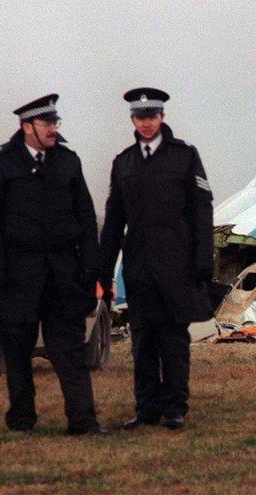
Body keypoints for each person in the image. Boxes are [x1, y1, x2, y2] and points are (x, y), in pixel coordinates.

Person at [0, 94, 104, 435]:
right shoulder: (2, 163)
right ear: (27, 126)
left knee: (70, 351)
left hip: (64, 275)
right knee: (17, 352)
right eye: (47, 123)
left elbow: (85, 216)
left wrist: (91, 266)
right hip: (17, 276)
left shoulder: (67, 161)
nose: (53, 129)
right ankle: (21, 419)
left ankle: (83, 421)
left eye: (55, 123)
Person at [100, 87, 214, 431]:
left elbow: (201, 210)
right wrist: (103, 270)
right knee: (143, 341)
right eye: (139, 117)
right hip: (139, 271)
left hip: (177, 268)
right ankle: (146, 409)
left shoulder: (185, 156)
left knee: (173, 341)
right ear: (132, 120)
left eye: (151, 116)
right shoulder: (124, 163)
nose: (146, 123)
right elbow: (114, 219)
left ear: (162, 117)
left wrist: (202, 261)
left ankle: (175, 408)